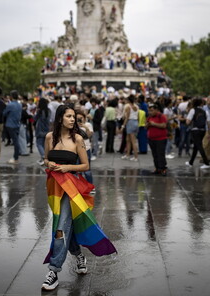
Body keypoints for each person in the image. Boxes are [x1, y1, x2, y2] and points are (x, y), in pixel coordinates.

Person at [41, 105, 116, 291]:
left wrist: (67, 168)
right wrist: (49, 163)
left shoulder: (78, 139)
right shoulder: (50, 137)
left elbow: (85, 165)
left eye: (73, 116)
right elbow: (44, 159)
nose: (72, 119)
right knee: (68, 225)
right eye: (68, 116)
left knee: (60, 225)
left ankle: (54, 270)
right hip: (53, 187)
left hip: (71, 188)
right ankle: (79, 255)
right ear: (60, 118)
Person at [185, 98, 210, 169]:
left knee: (199, 146)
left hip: (195, 130)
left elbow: (188, 122)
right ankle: (191, 162)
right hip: (203, 130)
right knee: (196, 146)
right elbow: (208, 122)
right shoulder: (205, 111)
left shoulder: (193, 110)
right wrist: (209, 133)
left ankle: (206, 163)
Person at [146, 102, 168, 175]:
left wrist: (154, 124)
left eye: (152, 110)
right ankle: (157, 168)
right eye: (149, 111)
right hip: (151, 139)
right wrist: (147, 125)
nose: (150, 112)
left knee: (160, 154)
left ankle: (163, 168)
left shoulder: (161, 116)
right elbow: (145, 126)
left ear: (156, 110)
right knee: (154, 154)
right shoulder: (149, 117)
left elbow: (164, 125)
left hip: (160, 139)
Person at [3, 90, 22, 164]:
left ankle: (15, 157)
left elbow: (4, 113)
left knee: (15, 141)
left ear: (11, 96)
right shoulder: (19, 104)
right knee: (16, 140)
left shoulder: (10, 105)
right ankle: (16, 156)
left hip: (11, 124)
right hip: (17, 124)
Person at [120, 95, 139, 161]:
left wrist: (123, 126)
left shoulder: (128, 107)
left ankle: (135, 157)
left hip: (130, 122)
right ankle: (127, 154)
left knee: (132, 141)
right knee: (128, 139)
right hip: (135, 122)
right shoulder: (136, 106)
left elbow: (127, 117)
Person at [34, 97, 51, 164]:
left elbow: (35, 118)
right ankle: (44, 158)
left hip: (40, 129)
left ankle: (43, 157)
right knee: (44, 144)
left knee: (39, 144)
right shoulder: (49, 110)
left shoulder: (40, 111)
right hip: (47, 129)